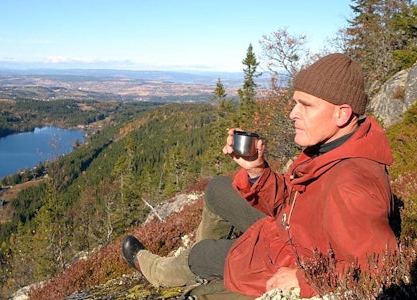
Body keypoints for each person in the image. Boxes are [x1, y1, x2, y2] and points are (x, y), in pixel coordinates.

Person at [121, 53, 398, 299]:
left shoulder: (352, 182)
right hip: (288, 231)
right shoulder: (332, 148)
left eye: (306, 105)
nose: (292, 114)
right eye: (294, 103)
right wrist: (257, 171)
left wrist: (304, 280)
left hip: (286, 256)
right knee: (218, 187)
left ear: (342, 113)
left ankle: (155, 269)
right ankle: (204, 268)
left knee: (201, 254)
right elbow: (297, 203)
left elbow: (377, 266)